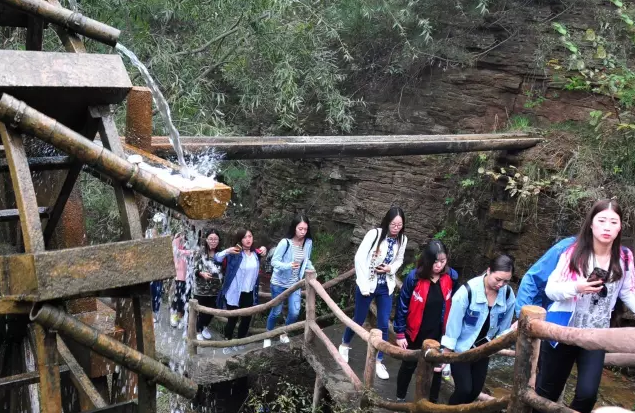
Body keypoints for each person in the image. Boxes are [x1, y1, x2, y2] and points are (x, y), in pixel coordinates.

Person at [535, 199, 635, 413]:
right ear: (591, 224)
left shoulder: (624, 257)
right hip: (563, 331)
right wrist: (577, 287)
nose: (607, 227)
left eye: (613, 222)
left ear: (620, 227)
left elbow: (628, 292)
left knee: (588, 395)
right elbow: (550, 290)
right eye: (602, 220)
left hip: (596, 334)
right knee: (547, 393)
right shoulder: (573, 252)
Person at [338, 207, 408, 380]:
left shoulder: (402, 239)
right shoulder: (374, 235)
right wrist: (363, 286)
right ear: (387, 222)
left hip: (386, 286)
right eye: (393, 224)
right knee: (359, 318)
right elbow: (360, 258)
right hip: (368, 283)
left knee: (383, 322)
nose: (396, 228)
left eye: (399, 225)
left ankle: (378, 360)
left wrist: (390, 268)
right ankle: (344, 344)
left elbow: (399, 259)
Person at [441, 254, 516, 405]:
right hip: (462, 349)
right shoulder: (467, 292)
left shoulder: (507, 295)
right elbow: (453, 324)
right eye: (498, 279)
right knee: (464, 389)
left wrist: (508, 335)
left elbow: (504, 328)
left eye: (506, 281)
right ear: (488, 271)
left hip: (484, 350)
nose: (501, 284)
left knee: (475, 391)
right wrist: (447, 353)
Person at [394, 240, 457, 402]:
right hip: (415, 332)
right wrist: (400, 333)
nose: (439, 265)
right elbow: (402, 305)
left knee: (436, 369)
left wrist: (452, 336)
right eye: (435, 261)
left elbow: (456, 305)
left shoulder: (451, 276)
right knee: (408, 366)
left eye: (442, 261)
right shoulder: (414, 277)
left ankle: (432, 402)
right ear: (427, 260)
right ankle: (400, 397)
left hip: (438, 333)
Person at [264, 214, 315, 348]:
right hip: (279, 283)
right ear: (294, 228)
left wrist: (312, 269)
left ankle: (284, 333)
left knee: (295, 312)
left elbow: (307, 260)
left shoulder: (308, 243)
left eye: (305, 229)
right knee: (276, 312)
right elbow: (274, 262)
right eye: (300, 229)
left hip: (295, 283)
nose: (303, 232)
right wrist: (289, 266)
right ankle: (267, 335)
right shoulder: (285, 243)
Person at [216, 229, 267, 354]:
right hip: (235, 292)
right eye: (244, 237)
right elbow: (217, 258)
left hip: (249, 292)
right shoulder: (235, 254)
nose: (248, 239)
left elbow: (265, 252)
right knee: (232, 319)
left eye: (250, 236)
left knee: (246, 319)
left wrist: (264, 248)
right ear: (240, 240)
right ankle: (227, 342)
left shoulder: (255, 254)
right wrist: (227, 251)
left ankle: (240, 341)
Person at [193, 229, 224, 341]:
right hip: (201, 289)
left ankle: (204, 327)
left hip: (216, 290)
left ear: (219, 240)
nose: (213, 241)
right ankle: (198, 330)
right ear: (206, 240)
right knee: (201, 311)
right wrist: (201, 274)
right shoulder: (200, 252)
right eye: (211, 239)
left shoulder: (221, 254)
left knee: (212, 311)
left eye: (215, 239)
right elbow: (193, 268)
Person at [170, 231, 194, 328]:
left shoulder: (193, 239)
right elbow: (175, 251)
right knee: (178, 296)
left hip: (190, 275)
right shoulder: (178, 239)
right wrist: (190, 252)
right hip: (180, 274)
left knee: (186, 297)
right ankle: (174, 315)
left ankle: (181, 316)